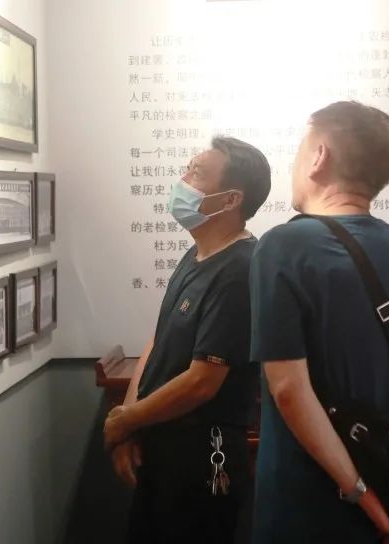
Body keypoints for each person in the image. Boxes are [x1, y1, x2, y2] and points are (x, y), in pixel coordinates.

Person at [249, 101, 389, 543]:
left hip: (308, 511)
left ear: (319, 156)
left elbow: (289, 389)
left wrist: (364, 498)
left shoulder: (282, 247)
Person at [103, 136, 271, 543]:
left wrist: (126, 420)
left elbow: (202, 381)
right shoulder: (197, 254)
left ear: (230, 199)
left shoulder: (239, 270)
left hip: (201, 457)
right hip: (160, 444)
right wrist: (129, 420)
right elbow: (158, 340)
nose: (182, 181)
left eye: (196, 174)